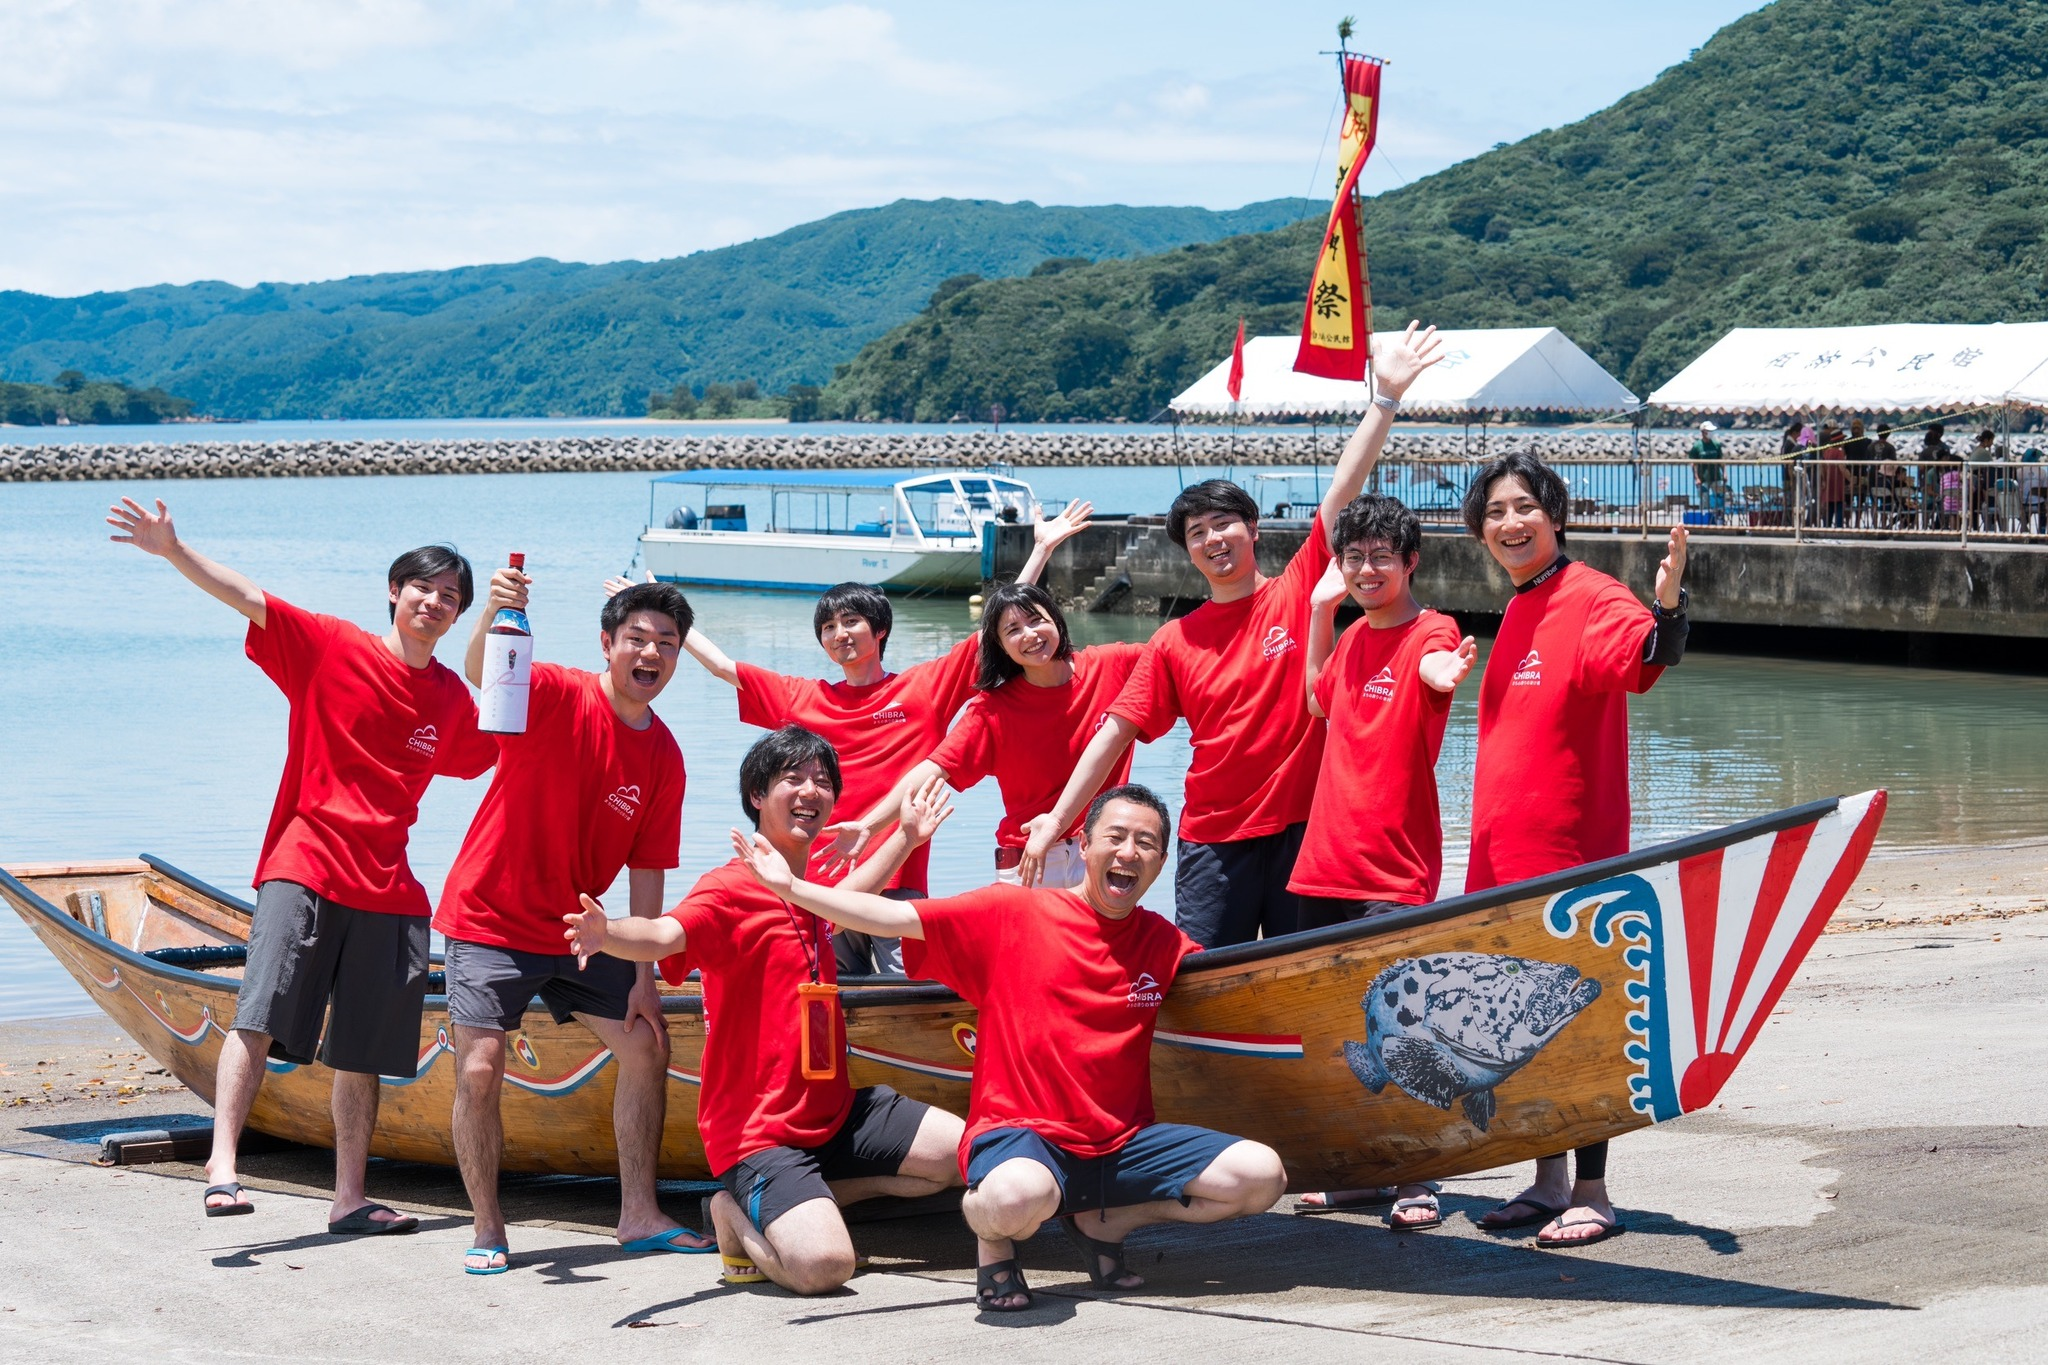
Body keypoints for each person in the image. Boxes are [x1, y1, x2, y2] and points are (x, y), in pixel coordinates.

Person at [730, 783, 1288, 1314]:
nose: (1128, 852)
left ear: (1162, 864)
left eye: (1146, 843)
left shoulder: (1163, 942)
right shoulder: (1014, 911)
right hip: (1021, 1136)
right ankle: (992, 1242)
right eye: (1115, 837)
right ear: (1084, 845)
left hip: (1122, 1143)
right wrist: (792, 889)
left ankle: (1105, 1223)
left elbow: (1249, 979)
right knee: (1018, 1198)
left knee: (1262, 1176)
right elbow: (897, 917)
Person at [106, 497, 495, 1230]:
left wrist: (505, 631)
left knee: (363, 1052)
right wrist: (172, 549)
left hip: (389, 887)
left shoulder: (448, 698)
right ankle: (223, 1163)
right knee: (258, 1015)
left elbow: (504, 738)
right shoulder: (331, 645)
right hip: (306, 862)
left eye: (451, 598)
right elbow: (248, 597)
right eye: (425, 588)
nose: (435, 603)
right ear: (394, 590)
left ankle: (350, 1197)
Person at [1020, 321, 1448, 946]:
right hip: (1214, 837)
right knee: (1204, 975)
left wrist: (1384, 400)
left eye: (1224, 524)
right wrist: (1057, 819)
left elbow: (1341, 492)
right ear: (1187, 551)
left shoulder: (1301, 587)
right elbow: (1114, 732)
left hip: (1305, 833)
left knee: (1296, 973)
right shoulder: (1175, 641)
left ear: (1253, 529)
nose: (1212, 539)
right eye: (1197, 534)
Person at [561, 728, 965, 1296]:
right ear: (756, 794)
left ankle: (811, 1198)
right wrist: (609, 935)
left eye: (823, 782)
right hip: (760, 1134)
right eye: (793, 779)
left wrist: (904, 836)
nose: (811, 791)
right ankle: (732, 1211)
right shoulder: (727, 889)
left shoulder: (806, 886)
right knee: (823, 1267)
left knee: (965, 1157)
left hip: (836, 1115)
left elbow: (849, 901)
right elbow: (663, 934)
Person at [668, 504, 1090, 975]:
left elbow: (995, 628)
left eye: (850, 622)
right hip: (826, 885)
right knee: (827, 990)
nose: (838, 634)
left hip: (899, 876)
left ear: (880, 629)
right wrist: (671, 620)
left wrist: (1042, 548)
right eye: (828, 628)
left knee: (909, 993)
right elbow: (726, 669)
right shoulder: (803, 697)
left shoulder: (923, 688)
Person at [435, 571, 712, 1274]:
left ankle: (639, 1214)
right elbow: (481, 671)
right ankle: (488, 1225)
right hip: (489, 916)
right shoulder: (556, 691)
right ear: (607, 643)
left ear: (678, 656)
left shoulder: (666, 756)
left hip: (578, 929)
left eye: (667, 644)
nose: (651, 653)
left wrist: (645, 978)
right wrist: (496, 612)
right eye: (637, 639)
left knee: (647, 1044)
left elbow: (648, 873)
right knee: (480, 1066)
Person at [1459, 452, 1690, 1249]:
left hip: (1570, 858)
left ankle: (1592, 1189)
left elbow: (1645, 657)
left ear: (1554, 513)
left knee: (1578, 1026)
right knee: (1516, 1025)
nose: (1510, 522)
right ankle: (1546, 1180)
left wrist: (1668, 610)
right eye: (1494, 512)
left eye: (1524, 506)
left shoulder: (1589, 594)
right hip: (1500, 860)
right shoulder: (1522, 606)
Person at [1284, 495, 1476, 1226]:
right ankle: (1364, 1170)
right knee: (1343, 1034)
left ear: (1411, 560)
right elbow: (1314, 699)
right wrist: (1317, 615)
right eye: (1354, 557)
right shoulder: (1353, 635)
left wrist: (1439, 675)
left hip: (1392, 869)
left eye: (1380, 557)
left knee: (1407, 1032)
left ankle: (1419, 1175)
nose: (1367, 570)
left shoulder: (1432, 629)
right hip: (1322, 861)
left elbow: (1435, 664)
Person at [851, 582, 1148, 889]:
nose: (1030, 635)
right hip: (1031, 858)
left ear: (1056, 620)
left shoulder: (1116, 666)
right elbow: (934, 769)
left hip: (1105, 852)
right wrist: (868, 826)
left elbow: (1179, 654)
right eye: (1013, 630)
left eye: (1036, 620)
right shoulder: (993, 711)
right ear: (1001, 645)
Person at [1686, 421, 1726, 522]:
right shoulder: (1697, 446)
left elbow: (1721, 460)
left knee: (1719, 499)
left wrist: (1725, 473)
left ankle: (1719, 519)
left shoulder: (1716, 444)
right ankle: (1705, 520)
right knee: (1704, 500)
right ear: (1703, 432)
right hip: (1703, 478)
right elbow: (1693, 463)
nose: (1711, 433)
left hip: (1716, 477)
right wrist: (1697, 478)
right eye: (1709, 431)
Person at [1817, 421, 1848, 529]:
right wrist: (1851, 478)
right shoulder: (1839, 452)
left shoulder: (1826, 451)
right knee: (1839, 506)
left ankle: (1826, 527)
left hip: (1828, 482)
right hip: (1837, 482)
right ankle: (1839, 528)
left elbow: (1822, 467)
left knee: (1829, 506)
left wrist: (1824, 480)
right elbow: (1842, 468)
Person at [1842, 419, 1873, 526]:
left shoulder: (1847, 442)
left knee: (1848, 500)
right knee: (1859, 499)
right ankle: (1856, 523)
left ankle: (1848, 522)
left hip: (1849, 473)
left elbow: (1844, 456)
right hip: (1861, 473)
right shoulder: (1868, 442)